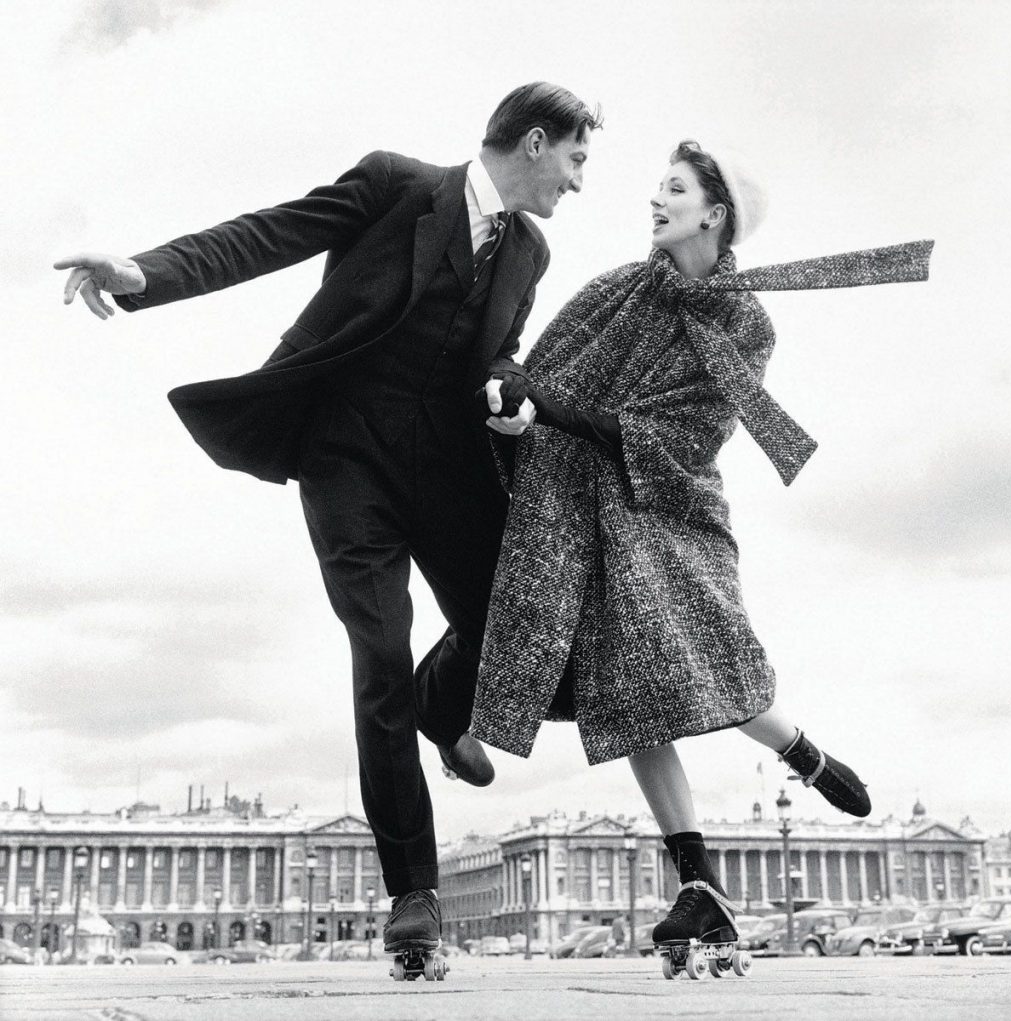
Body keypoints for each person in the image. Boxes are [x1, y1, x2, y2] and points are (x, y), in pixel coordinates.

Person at [53, 82, 602, 954]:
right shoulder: (394, 185)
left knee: (523, 620)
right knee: (378, 650)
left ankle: (441, 700)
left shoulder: (527, 253)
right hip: (347, 460)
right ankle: (413, 890)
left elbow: (498, 352)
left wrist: (509, 391)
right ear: (536, 143)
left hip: (451, 466)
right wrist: (144, 272)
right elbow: (270, 233)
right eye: (577, 159)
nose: (578, 182)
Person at [472, 140, 932, 948]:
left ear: (714, 213)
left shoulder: (748, 323)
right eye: (658, 186)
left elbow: (680, 436)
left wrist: (548, 404)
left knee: (708, 662)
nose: (656, 199)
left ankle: (802, 749)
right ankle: (700, 882)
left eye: (674, 189)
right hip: (586, 506)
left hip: (670, 509)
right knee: (631, 695)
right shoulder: (616, 287)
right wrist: (515, 399)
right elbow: (538, 366)